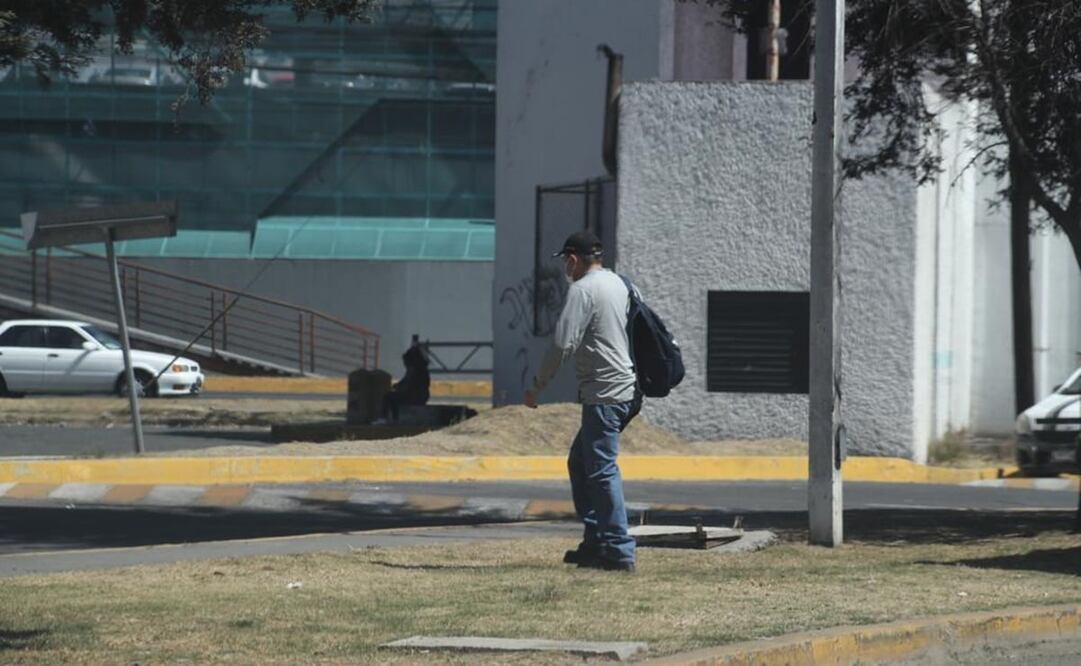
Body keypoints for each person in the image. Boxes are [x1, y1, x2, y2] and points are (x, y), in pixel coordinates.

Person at [525, 230, 641, 573]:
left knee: (602, 470)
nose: (566, 269)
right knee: (581, 462)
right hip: (627, 389)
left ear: (573, 260)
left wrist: (537, 386)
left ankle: (618, 549)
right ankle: (596, 541)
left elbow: (562, 344)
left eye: (566, 262)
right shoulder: (620, 284)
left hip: (605, 393)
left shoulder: (582, 290)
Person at [382, 335, 431, 423]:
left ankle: (391, 419)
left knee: (389, 397)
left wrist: (398, 387)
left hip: (416, 396)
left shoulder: (414, 370)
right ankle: (394, 418)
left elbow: (408, 384)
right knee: (394, 396)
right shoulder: (421, 369)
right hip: (422, 396)